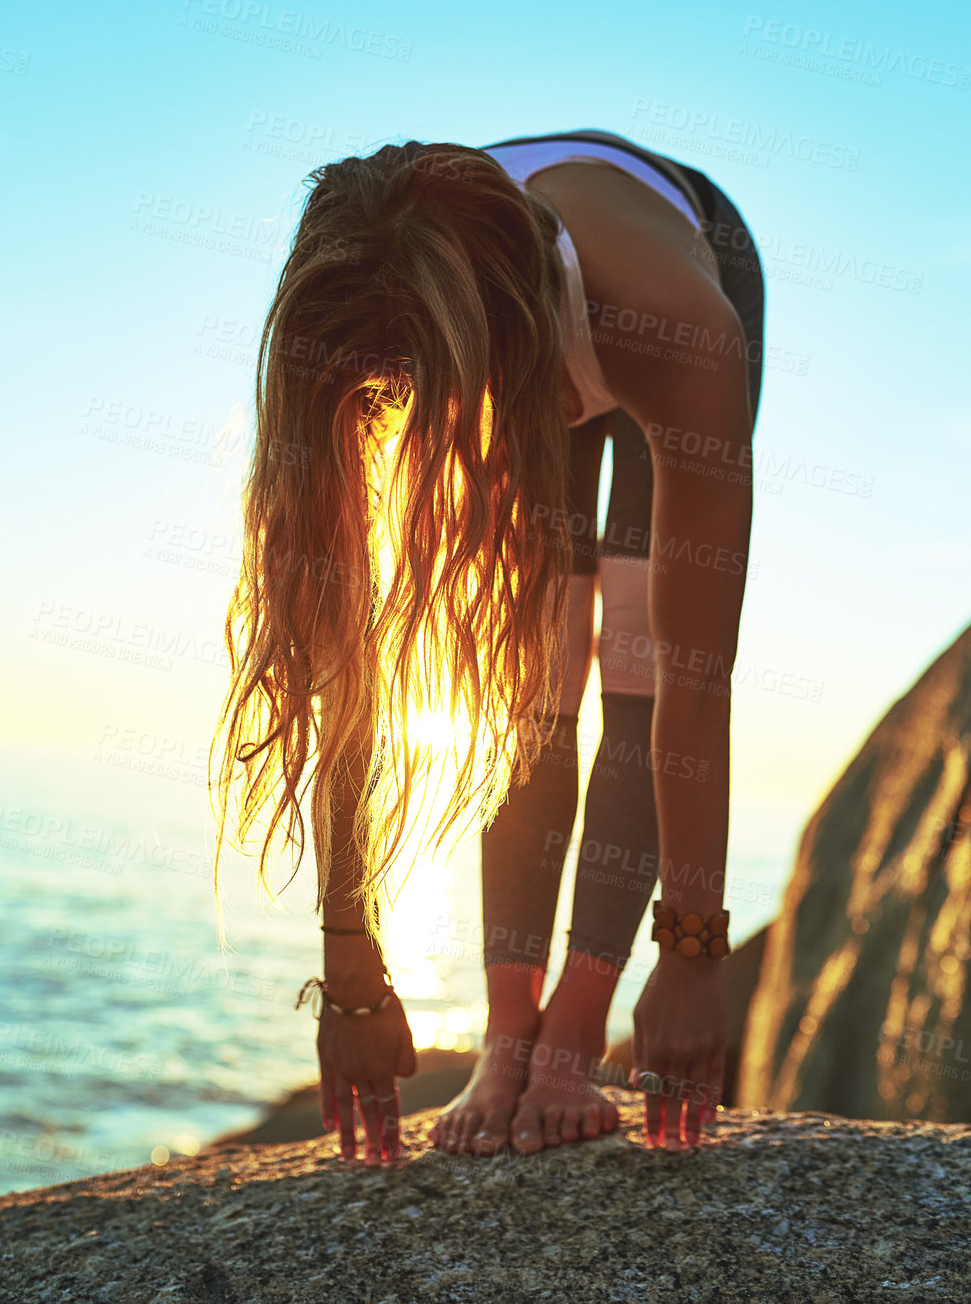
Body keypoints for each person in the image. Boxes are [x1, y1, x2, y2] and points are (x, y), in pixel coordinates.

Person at [213, 128, 764, 1166]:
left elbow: (697, 684)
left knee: (640, 658)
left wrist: (691, 954)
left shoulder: (677, 326)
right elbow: (349, 681)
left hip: (636, 281)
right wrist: (351, 971)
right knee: (528, 678)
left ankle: (572, 1027)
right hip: (487, 315)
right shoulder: (363, 321)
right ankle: (510, 1028)